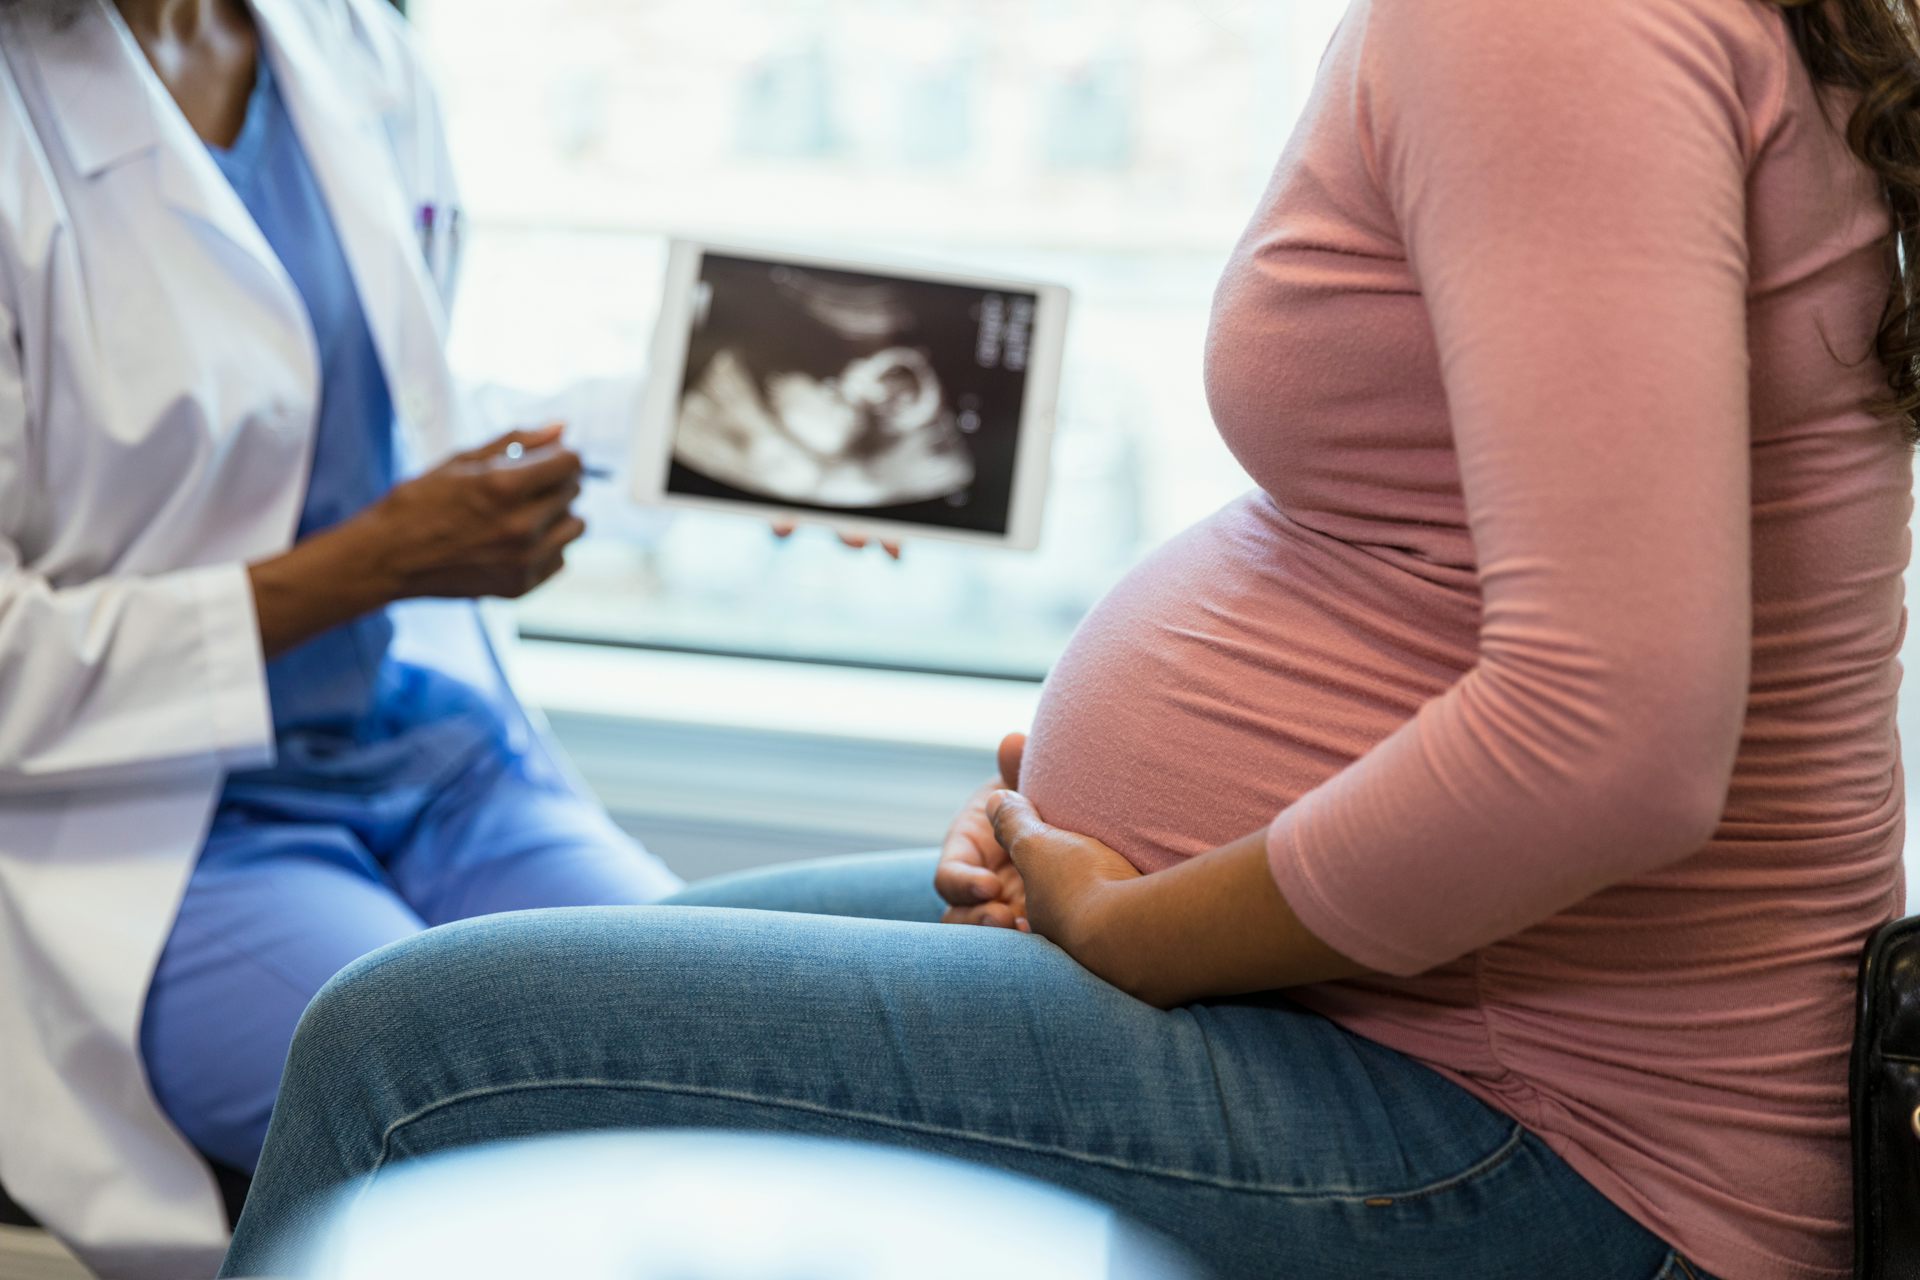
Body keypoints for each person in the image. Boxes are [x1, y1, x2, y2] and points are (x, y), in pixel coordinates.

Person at [224, 1, 1908, 1278]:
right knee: (597, 970)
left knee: (415, 1054)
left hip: (1556, 1123)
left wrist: (1146, 921)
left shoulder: (1549, 29)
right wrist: (1125, 828)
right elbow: (1450, 566)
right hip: (1407, 1002)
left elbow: (1614, 743)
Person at [0, 0, 852, 1272]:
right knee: (510, 1166)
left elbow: (380, 415)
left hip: (416, 748)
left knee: (758, 1067)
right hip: (148, 826)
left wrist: (725, 446)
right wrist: (372, 564)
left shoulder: (347, 42)